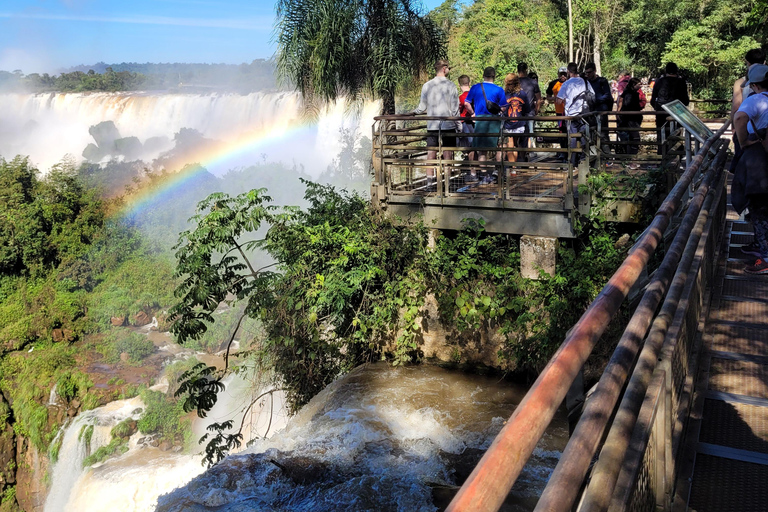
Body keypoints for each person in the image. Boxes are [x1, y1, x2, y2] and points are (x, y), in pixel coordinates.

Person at [733, 64, 768, 274]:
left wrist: (744, 141)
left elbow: (739, 118)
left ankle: (765, 257)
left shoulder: (756, 100)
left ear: (754, 85)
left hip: (761, 158)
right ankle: (761, 246)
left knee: (760, 205)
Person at [412, 59, 462, 187]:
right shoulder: (450, 85)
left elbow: (422, 107)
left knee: (431, 153)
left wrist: (414, 112)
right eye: (448, 68)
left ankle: (429, 182)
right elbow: (455, 109)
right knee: (448, 154)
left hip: (432, 125)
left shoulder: (427, 85)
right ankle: (448, 183)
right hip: (448, 124)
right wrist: (459, 125)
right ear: (444, 69)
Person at [464, 66, 507, 180]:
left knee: (482, 150)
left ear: (483, 76)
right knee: (499, 146)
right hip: (494, 121)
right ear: (494, 76)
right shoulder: (499, 90)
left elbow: (466, 103)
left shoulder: (475, 88)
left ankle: (484, 175)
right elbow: (503, 108)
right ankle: (498, 172)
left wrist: (473, 113)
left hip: (480, 120)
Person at [730, 49, 766, 174]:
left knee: (744, 167)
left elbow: (737, 107)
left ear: (747, 62)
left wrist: (734, 128)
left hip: (750, 130)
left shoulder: (741, 83)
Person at [556, 62, 595, 165]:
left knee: (572, 138)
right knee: (583, 137)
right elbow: (592, 95)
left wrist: (565, 100)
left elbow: (559, 100)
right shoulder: (585, 81)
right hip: (584, 114)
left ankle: (572, 161)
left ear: (568, 71)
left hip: (571, 115)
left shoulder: (566, 84)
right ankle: (583, 159)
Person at [650, 62, 689, 152]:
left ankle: (662, 157)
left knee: (662, 135)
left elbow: (653, 99)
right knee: (677, 135)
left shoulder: (659, 82)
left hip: (661, 113)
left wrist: (658, 108)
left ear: (666, 70)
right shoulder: (681, 82)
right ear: (676, 71)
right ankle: (676, 157)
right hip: (677, 113)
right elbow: (685, 101)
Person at [584, 62, 613, 155]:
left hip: (601, 110)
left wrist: (596, 100)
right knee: (591, 133)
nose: (588, 74)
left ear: (594, 71)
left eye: (590, 72)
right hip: (590, 111)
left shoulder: (602, 81)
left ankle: (607, 156)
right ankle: (593, 156)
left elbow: (608, 95)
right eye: (586, 73)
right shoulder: (585, 81)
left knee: (603, 133)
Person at [502, 73, 531, 165]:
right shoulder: (522, 94)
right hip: (518, 122)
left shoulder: (504, 94)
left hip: (509, 122)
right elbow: (527, 109)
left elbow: (501, 108)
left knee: (510, 145)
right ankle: (514, 166)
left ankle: (512, 167)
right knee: (514, 144)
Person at [617, 77, 645, 167]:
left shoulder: (628, 93)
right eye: (639, 84)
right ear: (634, 85)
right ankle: (632, 160)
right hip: (631, 119)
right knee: (635, 138)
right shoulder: (630, 94)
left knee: (632, 139)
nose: (640, 85)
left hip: (630, 119)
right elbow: (629, 105)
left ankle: (630, 159)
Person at [517, 62, 543, 156]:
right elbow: (539, 99)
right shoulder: (533, 82)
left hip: (517, 112)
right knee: (529, 133)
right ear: (526, 70)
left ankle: (520, 155)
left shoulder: (515, 82)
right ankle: (529, 152)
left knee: (517, 135)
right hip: (530, 112)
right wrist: (537, 109)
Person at [546, 67, 569, 158]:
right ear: (558, 74)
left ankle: (570, 151)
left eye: (564, 74)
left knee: (570, 131)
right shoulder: (553, 83)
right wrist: (554, 99)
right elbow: (548, 96)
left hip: (569, 112)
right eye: (561, 74)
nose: (563, 76)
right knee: (561, 132)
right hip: (559, 112)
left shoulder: (570, 83)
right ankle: (563, 151)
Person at [457, 74, 475, 161]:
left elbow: (458, 110)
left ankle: (471, 167)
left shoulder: (461, 98)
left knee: (468, 145)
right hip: (475, 122)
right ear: (469, 83)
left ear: (459, 85)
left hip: (464, 123)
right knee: (473, 143)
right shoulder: (475, 95)